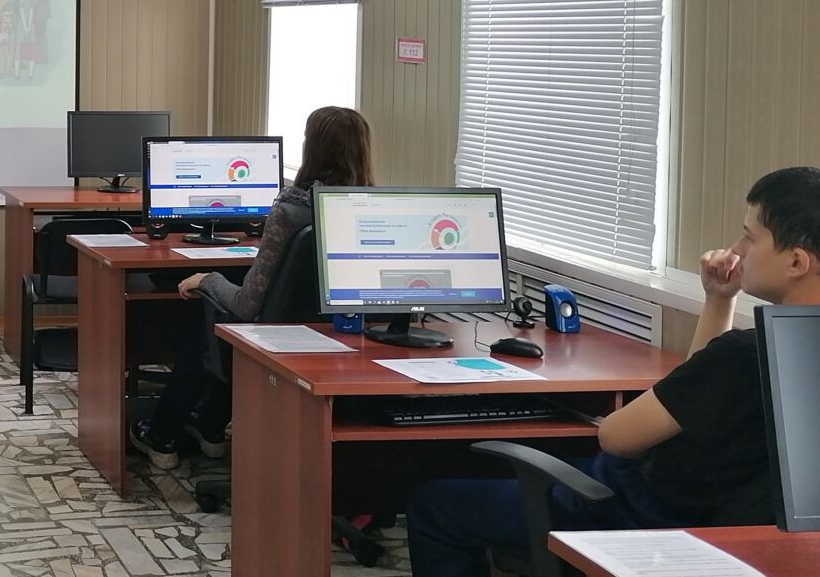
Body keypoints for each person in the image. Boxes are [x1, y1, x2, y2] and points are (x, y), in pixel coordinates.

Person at [405, 166, 820, 577]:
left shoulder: (745, 354)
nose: (737, 248)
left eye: (750, 236)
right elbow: (698, 389)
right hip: (729, 532)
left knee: (435, 504)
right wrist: (719, 299)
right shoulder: (780, 352)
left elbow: (617, 438)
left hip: (637, 513)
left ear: (797, 261)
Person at [130, 106, 375, 468]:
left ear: (311, 149)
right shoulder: (369, 208)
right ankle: (211, 427)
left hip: (277, 343)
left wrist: (207, 279)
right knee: (221, 337)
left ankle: (161, 438)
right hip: (341, 338)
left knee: (204, 339)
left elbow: (247, 304)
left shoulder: (290, 210)